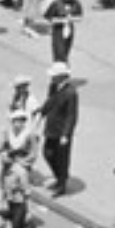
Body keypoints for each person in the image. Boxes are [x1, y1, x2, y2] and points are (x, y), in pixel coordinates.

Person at [40, 62, 78, 197]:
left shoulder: (70, 92)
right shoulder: (53, 86)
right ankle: (58, 176)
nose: (52, 78)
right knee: (47, 153)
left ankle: (62, 184)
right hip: (51, 127)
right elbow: (50, 100)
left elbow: (71, 115)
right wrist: (42, 111)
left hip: (61, 131)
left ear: (62, 76)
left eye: (54, 76)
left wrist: (66, 134)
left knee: (62, 158)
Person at [43, 0, 83, 64]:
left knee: (66, 50)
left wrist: (71, 19)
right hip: (59, 29)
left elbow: (79, 16)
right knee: (59, 53)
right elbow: (48, 17)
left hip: (69, 29)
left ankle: (64, 66)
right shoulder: (56, 3)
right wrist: (60, 20)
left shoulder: (75, 2)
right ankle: (60, 67)